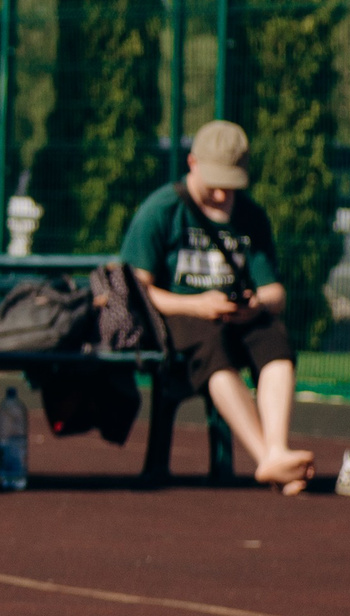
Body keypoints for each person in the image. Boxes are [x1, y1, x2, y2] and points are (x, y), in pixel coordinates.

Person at [121, 119, 314, 495]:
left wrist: (256, 304)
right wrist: (195, 305)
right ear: (192, 163)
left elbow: (275, 292)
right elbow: (136, 290)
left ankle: (276, 448)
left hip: (237, 316)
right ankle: (267, 459)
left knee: (274, 340)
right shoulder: (161, 210)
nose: (225, 196)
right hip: (180, 317)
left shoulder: (251, 216)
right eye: (216, 184)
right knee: (212, 348)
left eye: (232, 185)